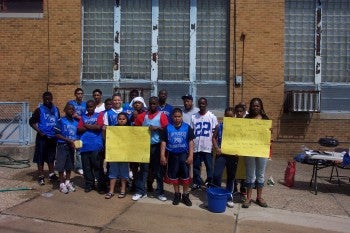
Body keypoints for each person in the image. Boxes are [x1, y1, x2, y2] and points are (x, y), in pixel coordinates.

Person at [132, 96, 168, 202]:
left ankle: (160, 192)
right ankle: (140, 191)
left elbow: (167, 131)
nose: (152, 105)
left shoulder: (162, 116)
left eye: (154, 104)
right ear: (148, 104)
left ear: (157, 104)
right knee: (143, 170)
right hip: (144, 146)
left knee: (158, 171)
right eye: (151, 103)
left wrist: (157, 128)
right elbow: (136, 130)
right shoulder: (142, 116)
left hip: (157, 147)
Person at [160, 108, 194, 206]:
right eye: (175, 116)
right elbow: (163, 142)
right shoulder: (167, 128)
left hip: (184, 155)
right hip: (172, 155)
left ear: (182, 117)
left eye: (179, 116)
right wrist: (162, 155)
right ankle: (177, 195)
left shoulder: (187, 127)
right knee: (174, 176)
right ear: (172, 117)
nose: (177, 118)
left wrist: (191, 155)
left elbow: (191, 142)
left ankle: (185, 195)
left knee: (185, 176)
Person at [242, 97, 270, 208]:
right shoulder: (247, 119)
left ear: (261, 107)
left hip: (261, 150)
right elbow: (241, 133)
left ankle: (259, 197)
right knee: (250, 174)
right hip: (249, 150)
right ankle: (248, 198)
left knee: (260, 174)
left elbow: (269, 133)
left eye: (258, 105)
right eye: (254, 105)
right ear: (251, 106)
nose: (256, 107)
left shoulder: (265, 119)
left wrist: (270, 131)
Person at [29, 91, 60, 185]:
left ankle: (51, 174)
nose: (47, 100)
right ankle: (41, 176)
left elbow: (58, 122)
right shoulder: (39, 110)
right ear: (43, 99)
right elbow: (31, 122)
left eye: (49, 98)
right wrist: (39, 131)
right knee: (40, 157)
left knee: (51, 157)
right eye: (45, 99)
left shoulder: (56, 109)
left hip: (53, 137)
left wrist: (58, 131)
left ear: (52, 99)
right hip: (42, 137)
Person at [190, 97, 218, 190]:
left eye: (203, 103)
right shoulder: (194, 117)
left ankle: (209, 181)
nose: (201, 105)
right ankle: (196, 182)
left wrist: (214, 145)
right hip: (197, 146)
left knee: (209, 166)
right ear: (198, 105)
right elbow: (191, 131)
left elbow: (215, 132)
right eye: (200, 104)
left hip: (207, 146)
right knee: (196, 166)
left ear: (206, 104)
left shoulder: (212, 116)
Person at [212, 107, 238, 208]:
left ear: (234, 116)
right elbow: (213, 138)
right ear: (224, 116)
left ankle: (228, 197)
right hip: (221, 154)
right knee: (217, 175)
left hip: (233, 156)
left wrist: (239, 150)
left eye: (231, 116)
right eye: (227, 116)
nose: (229, 118)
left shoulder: (237, 128)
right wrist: (216, 147)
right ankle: (217, 194)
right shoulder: (219, 126)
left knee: (231, 177)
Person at [78, 100, 105, 193]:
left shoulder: (99, 115)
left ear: (94, 107)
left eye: (91, 107)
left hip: (96, 145)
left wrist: (86, 125)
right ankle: (89, 184)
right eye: (88, 107)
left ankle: (101, 186)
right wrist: (91, 126)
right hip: (85, 146)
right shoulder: (83, 117)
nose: (90, 108)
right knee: (87, 167)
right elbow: (79, 129)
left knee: (98, 167)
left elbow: (98, 127)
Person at [105, 112, 130, 199]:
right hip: (114, 154)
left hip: (125, 155)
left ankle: (123, 190)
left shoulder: (130, 129)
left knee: (124, 173)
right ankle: (111, 191)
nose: (122, 120)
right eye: (120, 119)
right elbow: (106, 138)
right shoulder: (112, 129)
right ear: (117, 120)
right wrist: (104, 130)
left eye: (123, 119)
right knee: (113, 173)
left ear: (126, 120)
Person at [54, 103, 78, 193]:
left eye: (72, 109)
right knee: (61, 165)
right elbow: (57, 134)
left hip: (71, 146)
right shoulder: (61, 121)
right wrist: (68, 140)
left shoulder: (75, 122)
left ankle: (68, 181)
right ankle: (61, 183)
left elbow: (76, 134)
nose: (71, 111)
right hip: (62, 145)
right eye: (69, 109)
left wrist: (75, 141)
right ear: (65, 110)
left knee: (69, 165)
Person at [67, 88, 86, 175]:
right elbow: (68, 112)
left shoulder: (85, 104)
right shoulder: (71, 103)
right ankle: (68, 165)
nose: (80, 95)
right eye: (78, 93)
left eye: (81, 93)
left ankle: (79, 167)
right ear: (75, 94)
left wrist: (78, 117)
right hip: (71, 127)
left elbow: (86, 117)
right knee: (70, 147)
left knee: (79, 147)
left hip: (80, 128)